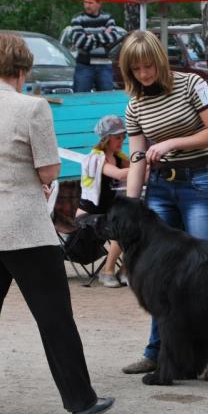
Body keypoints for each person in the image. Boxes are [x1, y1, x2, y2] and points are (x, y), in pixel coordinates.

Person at [0, 33, 114, 414]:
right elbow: (49, 170)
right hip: (23, 227)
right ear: (22, 70)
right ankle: (80, 400)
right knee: (54, 316)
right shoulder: (33, 107)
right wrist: (37, 177)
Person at [117, 30, 208, 381]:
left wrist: (170, 143)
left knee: (205, 272)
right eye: (136, 69)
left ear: (160, 61)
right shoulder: (134, 105)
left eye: (148, 65)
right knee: (156, 276)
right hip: (160, 191)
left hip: (199, 181)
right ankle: (157, 351)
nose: (144, 74)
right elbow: (137, 157)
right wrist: (132, 204)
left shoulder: (192, 85)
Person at [77, 114, 130, 287]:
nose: (121, 140)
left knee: (138, 223)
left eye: (123, 137)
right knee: (122, 225)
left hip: (107, 213)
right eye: (117, 137)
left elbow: (135, 171)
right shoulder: (95, 158)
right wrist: (144, 165)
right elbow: (121, 174)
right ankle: (107, 271)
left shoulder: (120, 157)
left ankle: (125, 270)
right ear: (106, 139)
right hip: (87, 215)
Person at [70, 0, 119, 92]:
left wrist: (91, 37)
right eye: (85, 2)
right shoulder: (77, 19)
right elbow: (80, 42)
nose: (87, 6)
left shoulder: (107, 17)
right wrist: (103, 37)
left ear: (99, 4)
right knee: (80, 98)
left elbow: (114, 37)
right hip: (84, 64)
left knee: (107, 98)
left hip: (103, 63)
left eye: (90, 3)